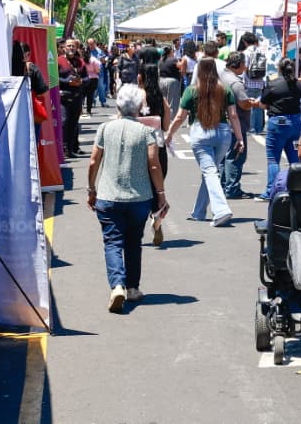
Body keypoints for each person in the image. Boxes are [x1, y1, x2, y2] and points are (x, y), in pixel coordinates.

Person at [87, 84, 169, 313]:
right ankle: (132, 287)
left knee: (112, 242)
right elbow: (154, 164)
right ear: (140, 107)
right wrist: (160, 195)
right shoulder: (146, 132)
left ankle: (117, 286)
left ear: (119, 105)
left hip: (108, 195)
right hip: (138, 197)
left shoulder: (105, 128)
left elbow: (94, 161)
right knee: (134, 242)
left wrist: (91, 189)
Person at [166, 57, 244, 226]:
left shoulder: (191, 90)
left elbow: (180, 116)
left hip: (200, 132)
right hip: (223, 134)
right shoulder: (225, 90)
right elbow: (233, 115)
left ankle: (221, 210)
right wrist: (240, 138)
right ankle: (199, 212)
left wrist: (170, 133)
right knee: (211, 172)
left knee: (209, 171)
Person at [256, 58, 301, 202]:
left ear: (279, 68)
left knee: (273, 158)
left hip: (278, 121)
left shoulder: (273, 84)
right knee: (294, 158)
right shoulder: (298, 85)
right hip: (295, 122)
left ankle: (272, 190)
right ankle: (298, 187)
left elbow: (262, 104)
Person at [138, 65, 172, 247]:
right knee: (157, 186)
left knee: (139, 188)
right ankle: (157, 219)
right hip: (158, 146)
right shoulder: (162, 99)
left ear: (140, 77)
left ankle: (138, 226)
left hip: (137, 146)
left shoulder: (134, 97)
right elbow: (166, 126)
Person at [219, 52, 259, 199]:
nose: (245, 67)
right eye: (244, 63)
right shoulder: (235, 83)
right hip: (235, 124)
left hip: (222, 122)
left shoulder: (222, 76)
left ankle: (224, 185)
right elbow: (243, 103)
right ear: (239, 64)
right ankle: (232, 188)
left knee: (224, 157)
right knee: (236, 156)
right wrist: (253, 103)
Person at [57, 40, 87, 156]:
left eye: (73, 46)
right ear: (64, 48)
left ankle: (70, 149)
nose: (71, 48)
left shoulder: (80, 62)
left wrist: (80, 82)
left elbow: (87, 78)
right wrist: (68, 82)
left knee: (73, 124)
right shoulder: (59, 61)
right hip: (63, 97)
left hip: (77, 97)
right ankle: (62, 148)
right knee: (64, 122)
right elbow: (53, 78)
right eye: (69, 46)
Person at [239, 32, 267, 137]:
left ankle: (251, 128)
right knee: (258, 105)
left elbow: (245, 67)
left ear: (245, 42)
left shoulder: (246, 53)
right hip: (260, 82)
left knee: (249, 104)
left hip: (249, 82)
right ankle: (259, 128)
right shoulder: (261, 51)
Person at [158, 46, 182, 122]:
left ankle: (162, 117)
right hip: (172, 82)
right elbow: (180, 66)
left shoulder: (161, 60)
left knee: (163, 101)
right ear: (171, 52)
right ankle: (170, 119)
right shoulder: (174, 60)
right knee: (172, 102)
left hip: (161, 81)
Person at [83, 46, 101, 116]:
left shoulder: (81, 60)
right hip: (93, 79)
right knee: (90, 95)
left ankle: (80, 109)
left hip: (84, 79)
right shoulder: (94, 60)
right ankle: (88, 110)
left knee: (82, 95)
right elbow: (97, 69)